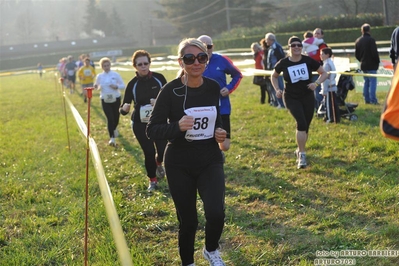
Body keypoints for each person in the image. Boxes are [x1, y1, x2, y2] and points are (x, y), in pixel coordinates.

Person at [146, 38, 227, 266]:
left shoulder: (211, 87)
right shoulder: (170, 91)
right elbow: (152, 129)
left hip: (209, 158)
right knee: (189, 220)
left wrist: (219, 131)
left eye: (201, 57)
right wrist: (177, 127)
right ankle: (188, 262)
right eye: (190, 59)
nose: (196, 63)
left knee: (216, 213)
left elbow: (215, 119)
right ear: (181, 62)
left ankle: (210, 250)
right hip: (179, 162)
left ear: (206, 59)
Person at [271, 36, 327, 169]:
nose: (296, 47)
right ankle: (302, 155)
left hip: (307, 96)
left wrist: (316, 83)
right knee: (301, 123)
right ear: (289, 47)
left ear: (302, 47)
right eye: (293, 45)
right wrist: (277, 89)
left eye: (299, 45)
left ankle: (300, 148)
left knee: (306, 125)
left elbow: (324, 73)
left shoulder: (308, 60)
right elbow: (273, 76)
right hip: (291, 97)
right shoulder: (283, 63)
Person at [120, 50, 167, 192]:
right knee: (148, 152)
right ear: (135, 66)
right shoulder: (132, 84)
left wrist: (158, 102)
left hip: (159, 121)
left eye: (146, 63)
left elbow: (170, 100)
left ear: (149, 63)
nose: (143, 66)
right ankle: (152, 180)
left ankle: (159, 163)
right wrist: (125, 109)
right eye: (140, 64)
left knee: (163, 150)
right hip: (140, 124)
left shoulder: (159, 78)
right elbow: (123, 108)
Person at [197, 34, 242, 155]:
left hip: (222, 108)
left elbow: (238, 75)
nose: (206, 49)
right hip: (201, 109)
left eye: (209, 46)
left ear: (213, 47)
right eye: (202, 46)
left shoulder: (222, 60)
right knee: (204, 139)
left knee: (225, 146)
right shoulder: (194, 63)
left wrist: (229, 88)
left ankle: (218, 152)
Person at [94, 57, 125, 146]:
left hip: (116, 98)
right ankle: (112, 138)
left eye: (108, 65)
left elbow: (123, 85)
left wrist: (116, 87)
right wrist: (96, 86)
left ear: (110, 65)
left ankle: (114, 128)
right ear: (102, 67)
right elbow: (97, 86)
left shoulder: (115, 74)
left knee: (116, 117)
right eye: (104, 66)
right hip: (105, 99)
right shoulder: (99, 76)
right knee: (109, 118)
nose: (106, 67)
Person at [355, 23, 380, 105]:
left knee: (366, 82)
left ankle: (367, 99)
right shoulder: (371, 40)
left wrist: (361, 60)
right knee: (372, 82)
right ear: (369, 30)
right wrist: (377, 61)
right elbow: (374, 53)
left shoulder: (358, 41)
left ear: (362, 31)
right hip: (372, 64)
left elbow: (356, 55)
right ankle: (373, 100)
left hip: (363, 64)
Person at [265, 32, 286, 108]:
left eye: (266, 39)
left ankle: (283, 104)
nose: (266, 41)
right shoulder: (271, 47)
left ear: (271, 39)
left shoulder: (277, 47)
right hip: (272, 71)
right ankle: (278, 103)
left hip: (277, 71)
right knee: (274, 88)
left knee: (279, 87)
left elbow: (281, 58)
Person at [320, 47, 340, 123]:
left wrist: (324, 90)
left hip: (329, 88)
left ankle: (330, 118)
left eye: (322, 54)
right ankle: (335, 118)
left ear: (327, 55)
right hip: (332, 86)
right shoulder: (329, 62)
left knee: (329, 105)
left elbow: (326, 79)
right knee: (333, 104)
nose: (320, 56)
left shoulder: (327, 65)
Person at [312, 28, 328, 111]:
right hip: (312, 71)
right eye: (315, 34)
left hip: (320, 72)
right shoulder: (311, 45)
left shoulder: (323, 46)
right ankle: (316, 108)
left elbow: (317, 57)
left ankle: (322, 109)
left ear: (322, 35)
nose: (316, 35)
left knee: (318, 92)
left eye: (318, 34)